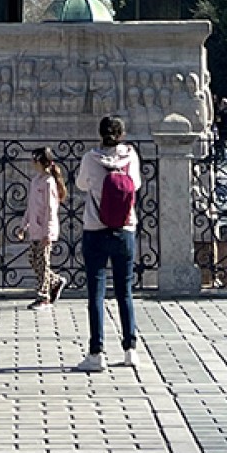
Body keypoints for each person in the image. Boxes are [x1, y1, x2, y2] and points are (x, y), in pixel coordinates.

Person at [74, 115, 142, 373]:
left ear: (100, 134)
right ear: (122, 134)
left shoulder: (90, 159)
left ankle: (96, 352)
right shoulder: (131, 157)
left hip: (95, 228)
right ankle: (130, 349)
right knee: (125, 291)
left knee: (96, 293)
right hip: (124, 229)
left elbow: (82, 184)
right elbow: (135, 185)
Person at [17, 146, 67, 307]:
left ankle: (43, 295)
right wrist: (23, 226)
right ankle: (56, 281)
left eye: (34, 160)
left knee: (43, 262)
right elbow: (31, 206)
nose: (32, 163)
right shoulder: (36, 181)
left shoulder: (48, 182)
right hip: (35, 230)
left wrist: (48, 232)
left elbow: (51, 208)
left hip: (45, 230)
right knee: (33, 259)